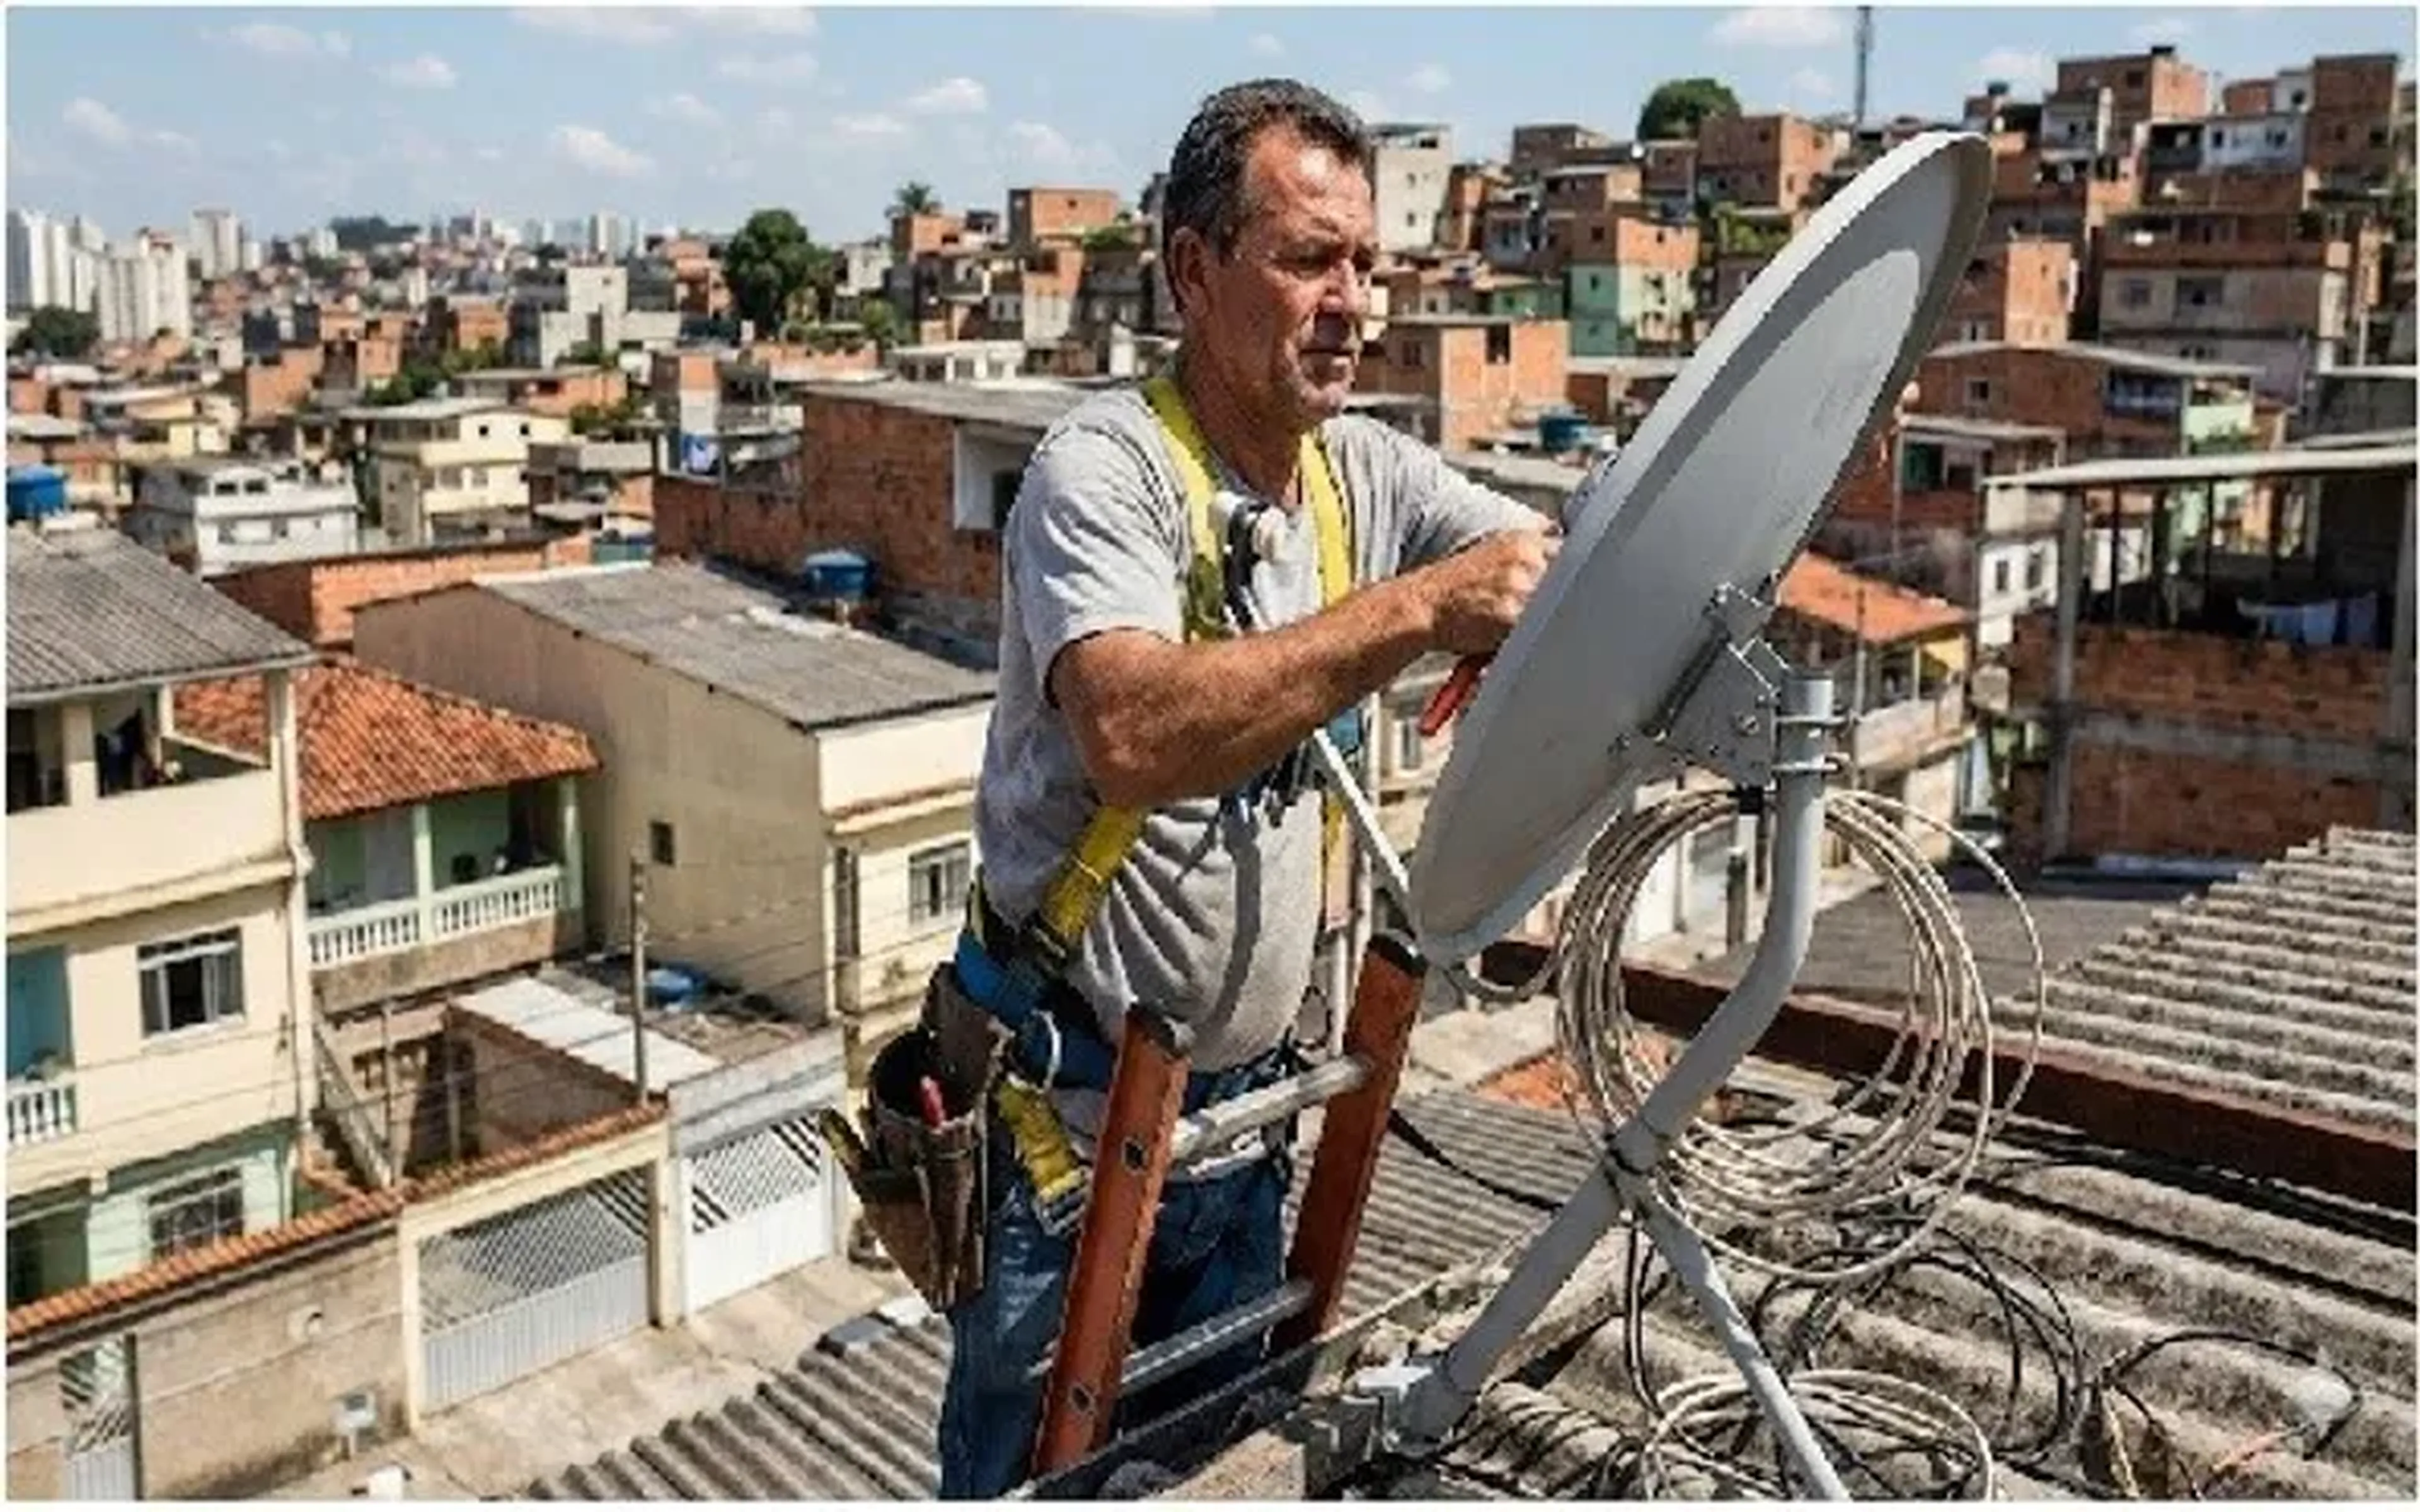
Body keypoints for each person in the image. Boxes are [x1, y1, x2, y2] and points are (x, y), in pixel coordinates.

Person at [938, 77, 1558, 1498]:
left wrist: (1512, 597)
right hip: (1066, 1137)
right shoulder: (1105, 474)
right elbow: (1138, 734)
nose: (1351, 303)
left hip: (1242, 1131)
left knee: (1217, 1475)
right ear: (1195, 269)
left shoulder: (1361, 477)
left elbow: (1544, 562)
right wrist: (1419, 615)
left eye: (1365, 265)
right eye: (1306, 261)